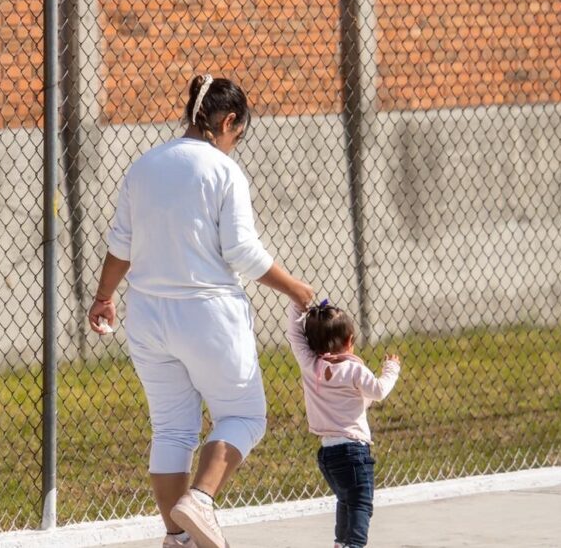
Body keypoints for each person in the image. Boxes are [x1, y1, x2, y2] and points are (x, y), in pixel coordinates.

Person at [88, 74, 315, 548]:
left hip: (147, 318)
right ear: (228, 121)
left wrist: (104, 296)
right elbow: (242, 252)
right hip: (208, 315)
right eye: (239, 135)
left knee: (171, 429)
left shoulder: (144, 167)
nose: (235, 145)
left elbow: (121, 246)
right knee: (245, 416)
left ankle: (178, 539)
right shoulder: (223, 171)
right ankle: (201, 499)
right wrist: (297, 289)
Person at [285, 300, 401, 548]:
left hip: (328, 453)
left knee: (346, 500)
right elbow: (379, 391)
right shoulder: (354, 370)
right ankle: (354, 545)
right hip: (353, 450)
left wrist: (298, 305)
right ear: (350, 340)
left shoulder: (311, 365)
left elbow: (294, 335)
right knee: (360, 503)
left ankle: (341, 542)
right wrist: (391, 369)